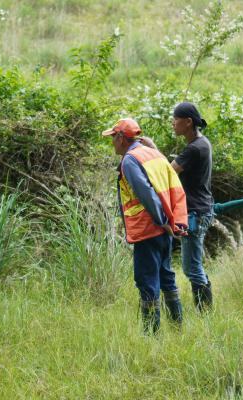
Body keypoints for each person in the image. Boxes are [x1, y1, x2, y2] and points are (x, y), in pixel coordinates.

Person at [102, 118, 188, 334]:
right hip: (164, 227)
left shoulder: (130, 160)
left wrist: (160, 220)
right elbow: (170, 185)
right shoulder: (153, 153)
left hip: (148, 229)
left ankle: (151, 335)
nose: (112, 142)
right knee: (166, 276)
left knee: (146, 280)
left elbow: (147, 193)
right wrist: (170, 221)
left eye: (113, 137)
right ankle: (178, 329)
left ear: (122, 138)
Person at [170, 102, 215, 312]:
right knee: (193, 265)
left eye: (176, 119)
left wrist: (151, 150)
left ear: (188, 122)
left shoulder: (194, 149)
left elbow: (169, 173)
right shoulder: (202, 143)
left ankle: (205, 312)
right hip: (203, 209)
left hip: (195, 212)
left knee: (191, 267)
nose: (173, 123)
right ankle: (204, 311)